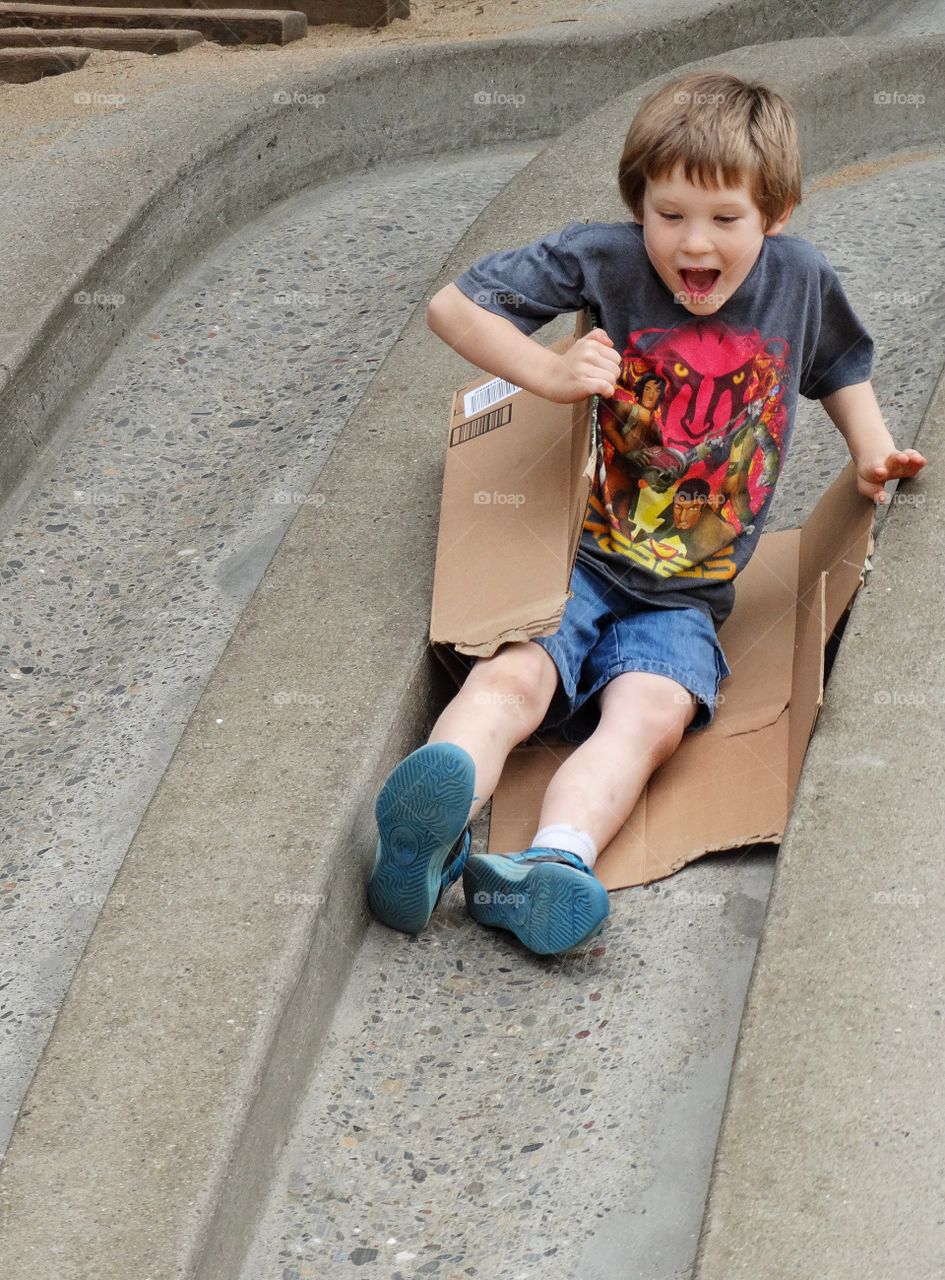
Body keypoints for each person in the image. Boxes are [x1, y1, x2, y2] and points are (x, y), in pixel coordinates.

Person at [366, 68, 926, 957]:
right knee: (512, 680)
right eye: (668, 216)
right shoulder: (608, 258)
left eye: (722, 220)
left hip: (685, 600)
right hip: (577, 561)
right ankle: (433, 823)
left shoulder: (800, 279)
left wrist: (870, 450)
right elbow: (453, 306)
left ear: (775, 213)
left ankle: (552, 863)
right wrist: (547, 374)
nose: (690, 242)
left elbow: (839, 367)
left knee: (649, 718)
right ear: (638, 209)